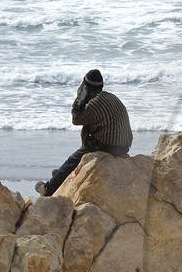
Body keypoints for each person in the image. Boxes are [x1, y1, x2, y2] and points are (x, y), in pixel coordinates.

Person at [35, 69, 133, 197]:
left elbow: (76, 120)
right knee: (86, 137)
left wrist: (79, 99)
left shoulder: (94, 104)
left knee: (73, 159)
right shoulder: (110, 96)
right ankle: (64, 173)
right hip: (124, 145)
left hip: (110, 146)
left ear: (86, 88)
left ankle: (48, 188)